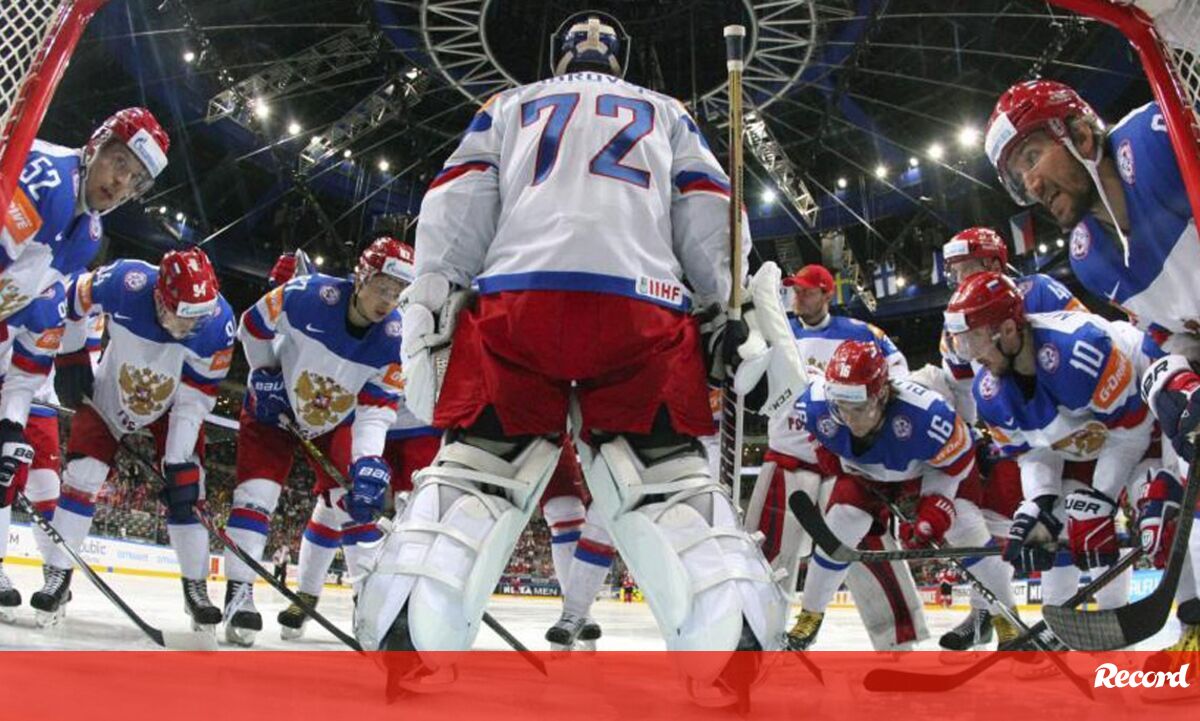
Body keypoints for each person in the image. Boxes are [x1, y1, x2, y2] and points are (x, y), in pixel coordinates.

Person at [353, 11, 797, 705]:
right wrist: (721, 309)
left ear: (560, 58)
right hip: (642, 305)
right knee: (666, 480)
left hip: (517, 298)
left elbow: (456, 202)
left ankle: (409, 611)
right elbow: (710, 206)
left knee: (479, 469)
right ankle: (731, 620)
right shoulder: (668, 111)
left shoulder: (507, 104)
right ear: (621, 61)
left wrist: (434, 304)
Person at [944, 272, 1160, 630]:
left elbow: (1131, 431)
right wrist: (1039, 501)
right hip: (1089, 436)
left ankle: (1162, 616)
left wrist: (1102, 498)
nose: (971, 357)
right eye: (961, 343)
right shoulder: (989, 392)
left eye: (974, 340)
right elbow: (1033, 451)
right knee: (1056, 518)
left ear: (1009, 330)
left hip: (1147, 412)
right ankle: (1061, 626)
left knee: (1156, 508)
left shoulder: (1081, 350)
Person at [32, 249, 234, 630]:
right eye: (182, 317)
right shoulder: (125, 281)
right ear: (159, 297)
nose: (190, 327)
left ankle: (195, 587)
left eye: (198, 319)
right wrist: (72, 355)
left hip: (173, 405)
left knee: (190, 489)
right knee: (83, 475)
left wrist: (177, 461)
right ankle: (58, 573)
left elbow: (196, 399)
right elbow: (74, 298)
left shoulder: (219, 323)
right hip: (111, 391)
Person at [227, 236, 407, 646]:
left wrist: (368, 459)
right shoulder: (305, 294)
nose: (388, 301)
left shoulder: (395, 337)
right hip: (273, 409)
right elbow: (251, 326)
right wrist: (264, 373)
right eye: (383, 287)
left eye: (397, 293)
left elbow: (377, 406)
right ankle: (239, 594)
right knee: (256, 497)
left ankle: (369, 608)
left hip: (334, 421)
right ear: (361, 277)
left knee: (356, 502)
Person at [786, 340, 1020, 651]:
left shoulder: (928, 415)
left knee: (966, 528)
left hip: (924, 472)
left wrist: (937, 504)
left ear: (882, 395)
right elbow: (817, 429)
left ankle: (1008, 620)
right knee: (841, 524)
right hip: (865, 474)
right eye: (839, 407)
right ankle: (810, 617)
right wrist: (825, 451)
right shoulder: (815, 404)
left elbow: (958, 463)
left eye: (858, 408)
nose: (849, 419)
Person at [746, 263, 927, 651]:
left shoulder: (860, 333)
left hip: (842, 459)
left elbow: (899, 373)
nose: (798, 297)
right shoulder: (778, 331)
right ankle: (759, 640)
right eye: (795, 290)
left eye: (807, 291)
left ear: (828, 294)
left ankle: (899, 644)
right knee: (763, 550)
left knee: (868, 545)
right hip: (787, 455)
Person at [934, 226, 1088, 653]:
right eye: (953, 270)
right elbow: (960, 385)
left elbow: (1085, 336)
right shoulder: (955, 317)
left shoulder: (1039, 290)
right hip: (1010, 432)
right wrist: (971, 435)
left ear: (992, 263)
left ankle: (1058, 621)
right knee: (980, 521)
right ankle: (986, 613)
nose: (956, 277)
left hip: (1069, 425)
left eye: (962, 267)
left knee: (1059, 514)